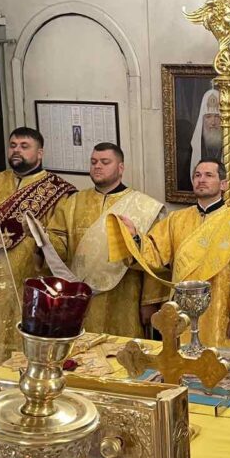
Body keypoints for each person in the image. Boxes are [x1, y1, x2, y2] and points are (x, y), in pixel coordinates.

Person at [111, 160, 230, 346]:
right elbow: (155, 252)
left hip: (219, 309)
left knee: (217, 359)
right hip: (182, 308)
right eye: (197, 175)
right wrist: (134, 237)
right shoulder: (176, 220)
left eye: (209, 175)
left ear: (223, 184)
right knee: (182, 357)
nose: (201, 179)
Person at [42, 143, 166, 338]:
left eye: (105, 162)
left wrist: (149, 303)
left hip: (125, 298)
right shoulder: (73, 202)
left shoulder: (143, 206)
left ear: (120, 168)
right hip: (80, 298)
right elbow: (60, 249)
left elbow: (154, 257)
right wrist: (42, 237)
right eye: (93, 162)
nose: (97, 166)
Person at [0, 127, 76, 358]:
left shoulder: (58, 191)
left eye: (24, 146)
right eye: (13, 146)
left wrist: (38, 237)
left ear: (40, 153)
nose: (16, 150)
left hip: (30, 282)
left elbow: (62, 243)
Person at [189, 88, 222, 185]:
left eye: (217, 117)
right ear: (202, 120)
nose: (213, 122)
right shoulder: (196, 145)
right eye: (208, 117)